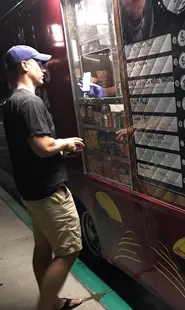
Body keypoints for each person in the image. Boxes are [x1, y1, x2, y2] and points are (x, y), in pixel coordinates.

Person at [3, 45, 85, 310]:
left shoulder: (12, 101)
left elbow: (32, 147)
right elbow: (43, 147)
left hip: (31, 190)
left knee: (43, 246)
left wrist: (61, 147)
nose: (44, 68)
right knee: (69, 250)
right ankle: (45, 307)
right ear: (25, 66)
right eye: (39, 63)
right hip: (49, 192)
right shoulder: (30, 102)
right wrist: (66, 142)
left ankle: (53, 303)